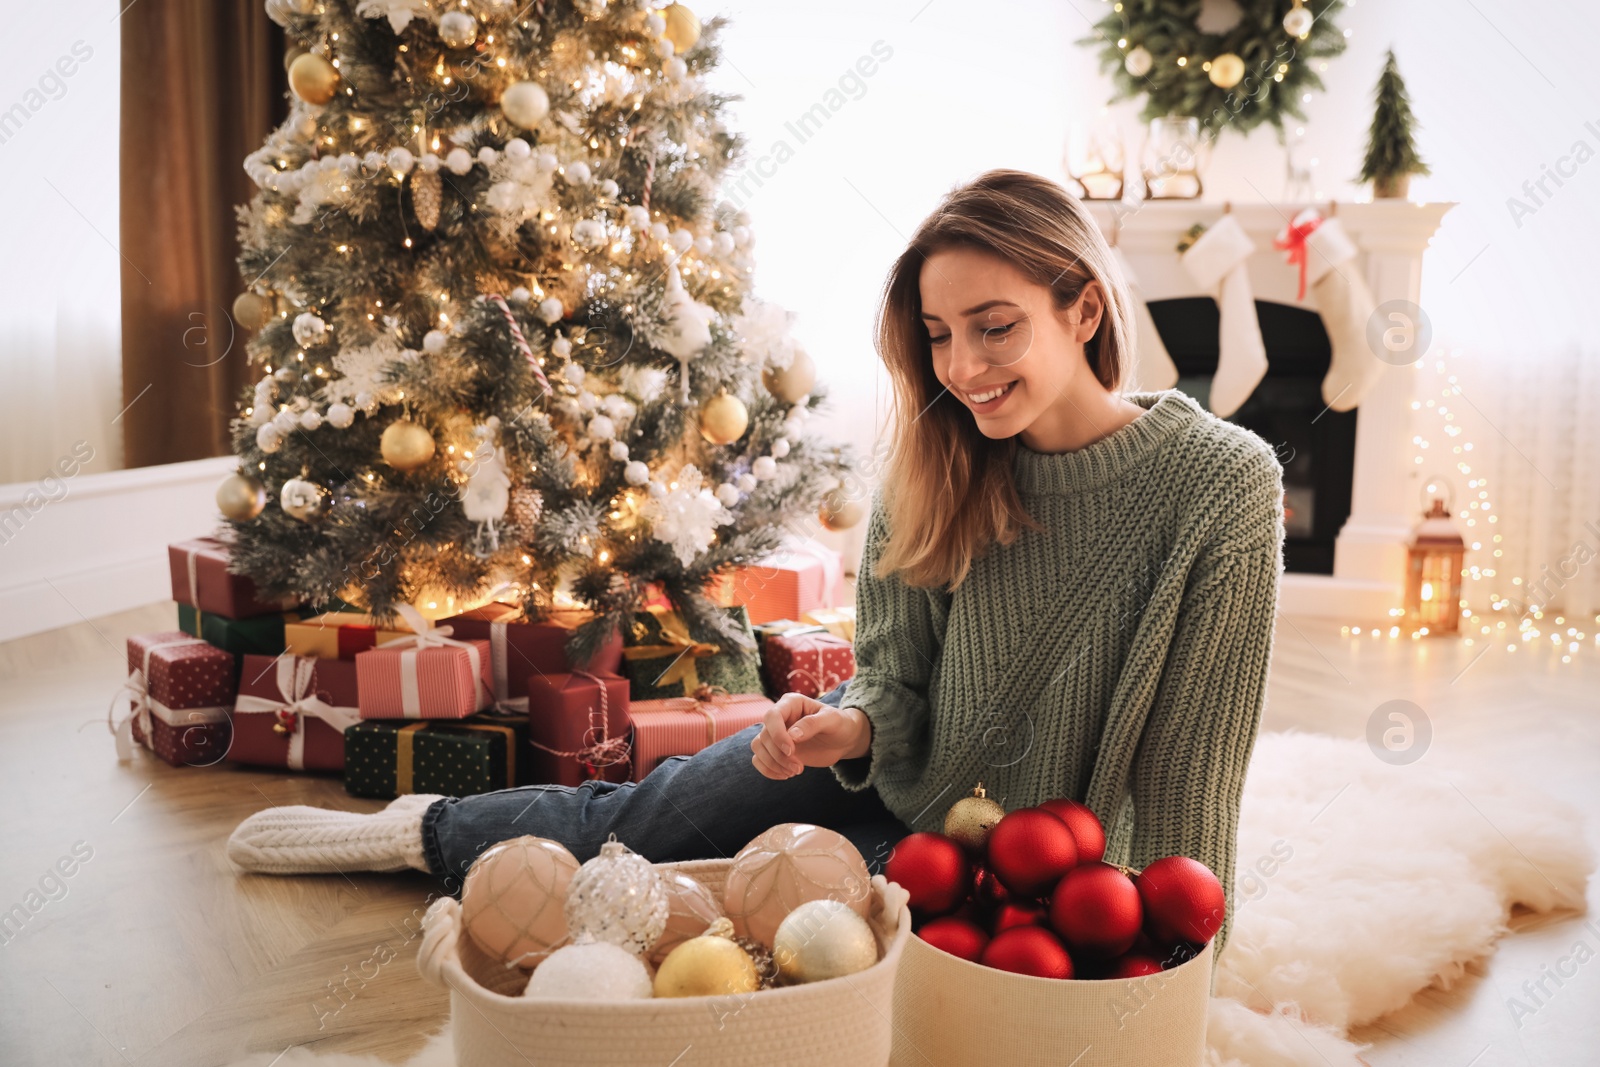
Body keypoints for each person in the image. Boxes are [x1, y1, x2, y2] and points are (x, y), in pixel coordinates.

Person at [229, 168, 1284, 953]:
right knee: (649, 811)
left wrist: (1174, 937)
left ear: (1083, 307)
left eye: (994, 327)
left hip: (1006, 858)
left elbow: (1195, 767)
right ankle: (426, 831)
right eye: (938, 335)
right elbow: (895, 676)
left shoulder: (1220, 485)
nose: (962, 367)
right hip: (891, 775)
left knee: (736, 908)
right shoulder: (938, 457)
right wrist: (851, 721)